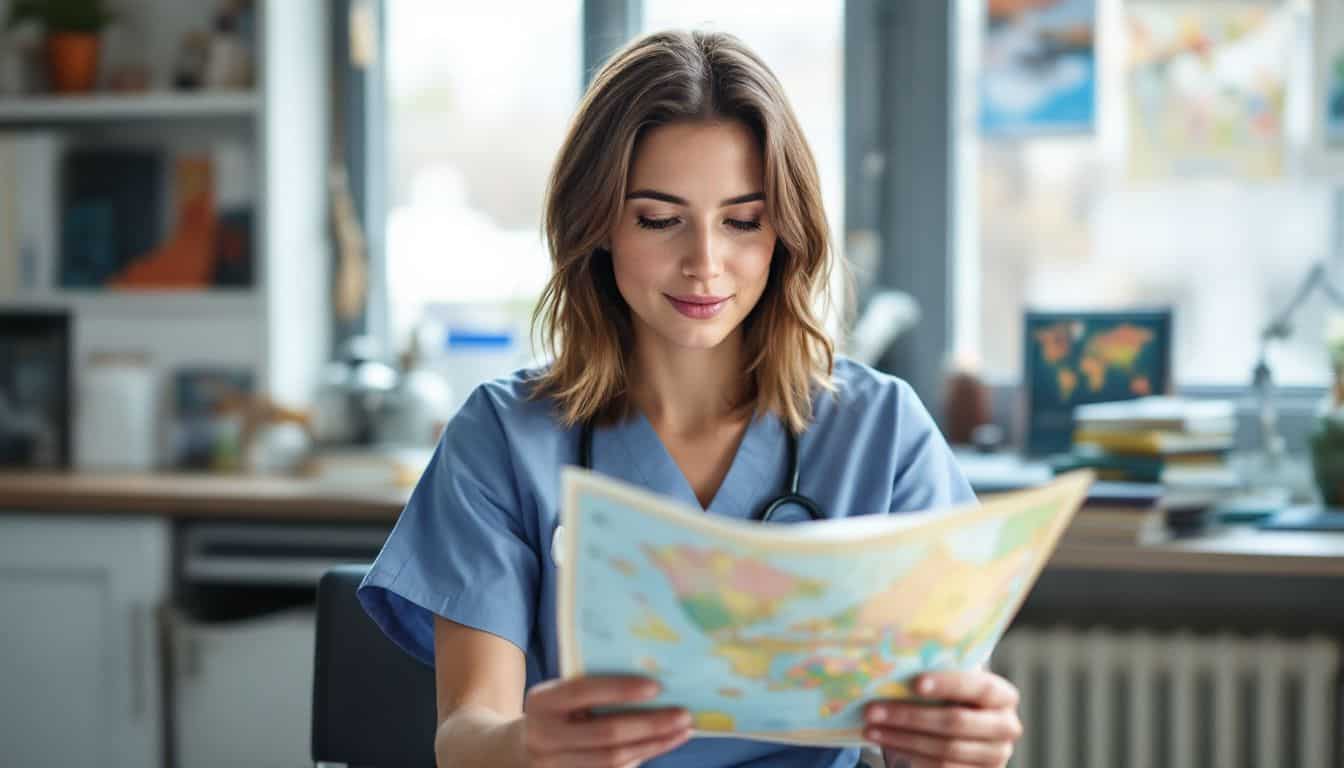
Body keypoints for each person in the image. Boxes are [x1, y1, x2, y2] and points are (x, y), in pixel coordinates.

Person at [358, 29, 1023, 768]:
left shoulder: (882, 433)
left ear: (786, 233)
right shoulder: (503, 437)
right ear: (598, 224)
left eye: (743, 220)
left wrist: (957, 748)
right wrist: (528, 747)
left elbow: (925, 730)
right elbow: (465, 736)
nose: (704, 263)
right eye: (657, 218)